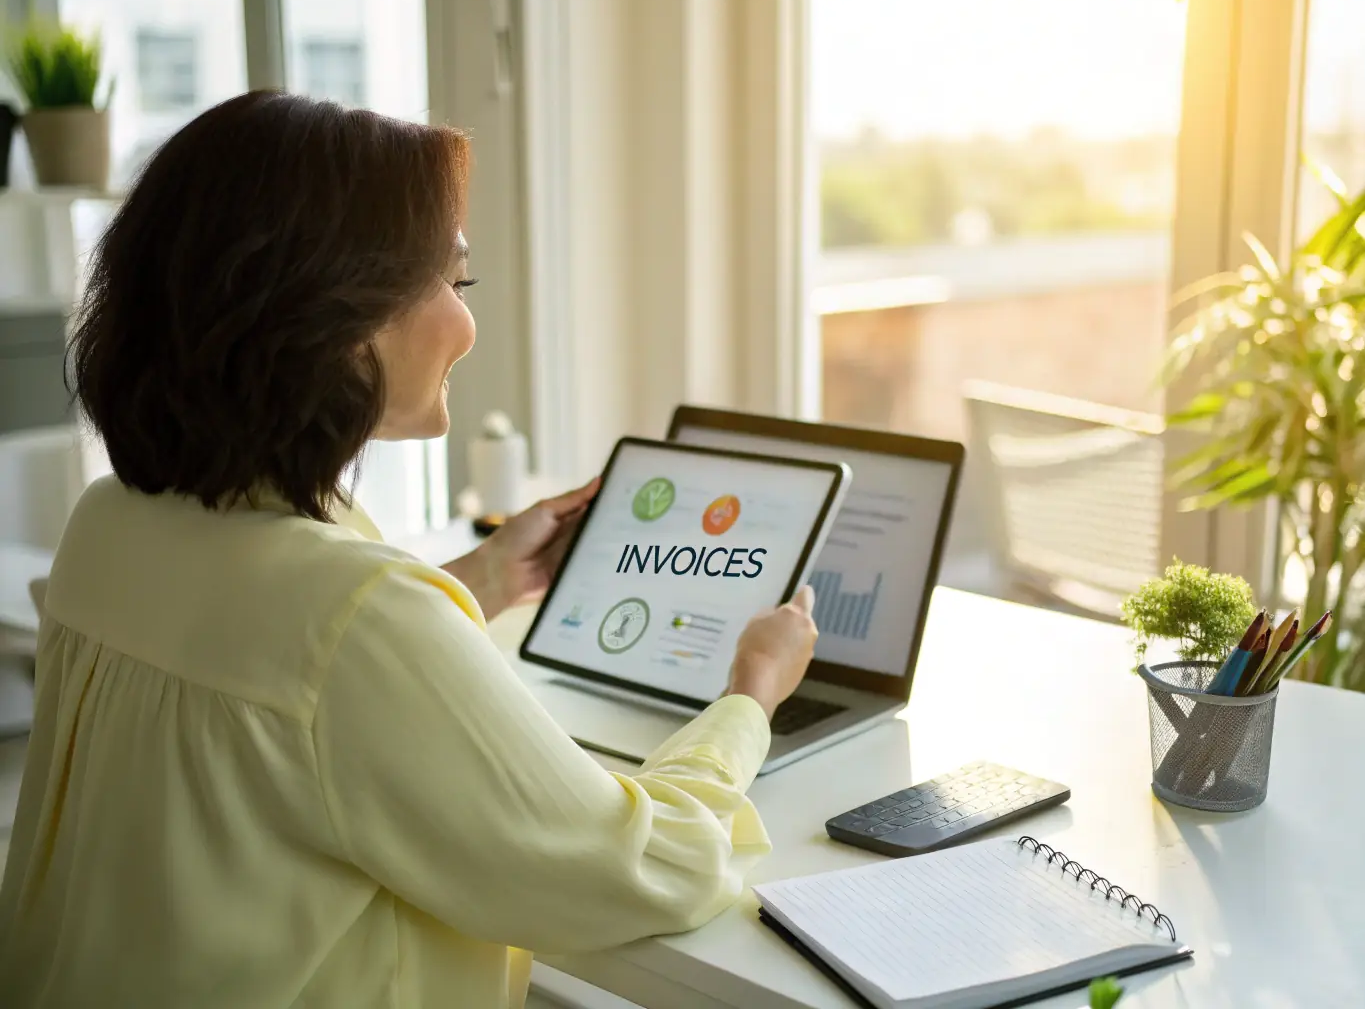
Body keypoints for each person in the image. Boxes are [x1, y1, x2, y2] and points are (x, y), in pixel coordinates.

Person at [0, 91, 818, 1008]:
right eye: (451, 284)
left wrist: (479, 578)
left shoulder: (110, 524)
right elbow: (642, 871)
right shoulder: (356, 619)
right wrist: (749, 696)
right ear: (329, 317)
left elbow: (273, 672)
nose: (465, 325)